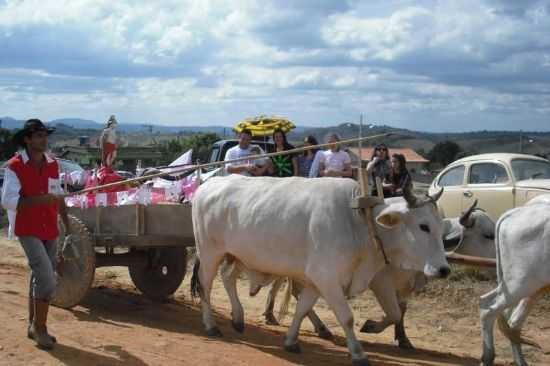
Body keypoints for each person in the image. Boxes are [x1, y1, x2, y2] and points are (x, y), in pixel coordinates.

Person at [1, 119, 70, 350]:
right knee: (47, 279)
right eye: (38, 135)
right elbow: (8, 201)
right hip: (28, 228)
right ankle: (41, 328)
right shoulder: (14, 166)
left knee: (40, 276)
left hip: (50, 227)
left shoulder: (52, 164)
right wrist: (41, 199)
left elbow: (57, 195)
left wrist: (68, 227)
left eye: (45, 134)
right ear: (27, 139)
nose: (44, 139)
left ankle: (33, 325)